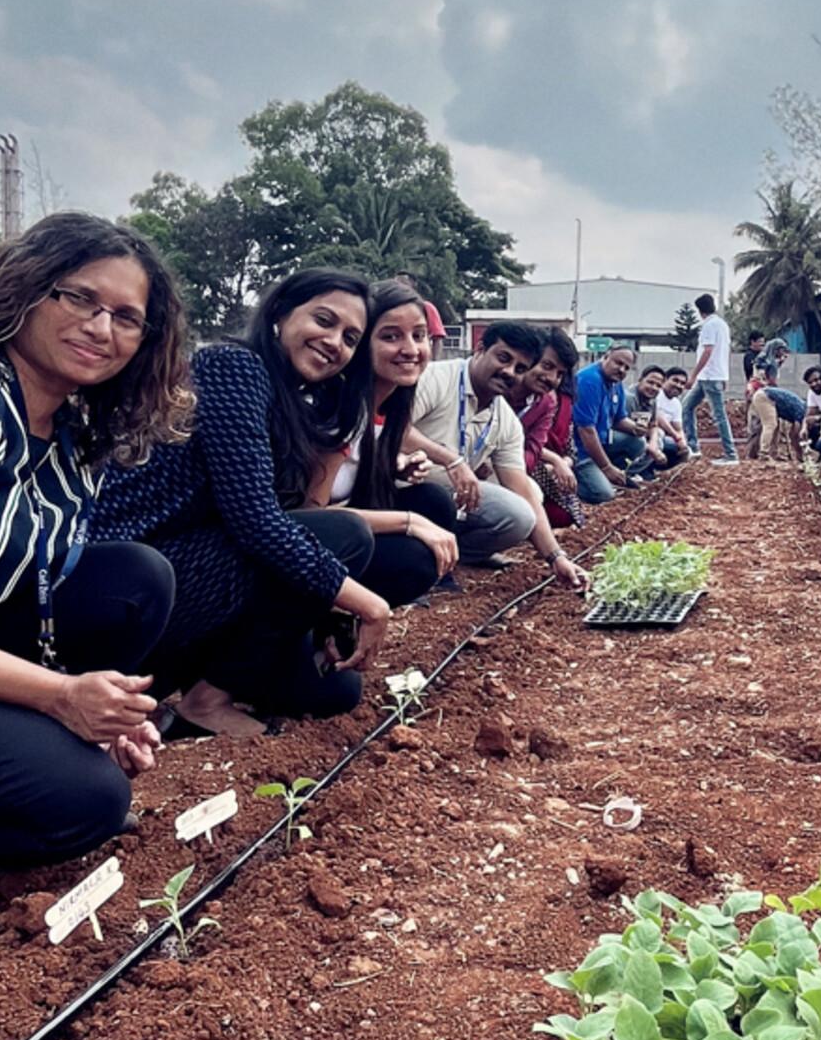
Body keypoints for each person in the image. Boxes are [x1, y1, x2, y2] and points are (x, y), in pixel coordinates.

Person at [96, 269, 390, 737]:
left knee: (337, 692)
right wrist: (368, 603)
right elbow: (256, 521)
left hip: (186, 568)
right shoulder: (233, 366)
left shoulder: (284, 397)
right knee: (343, 536)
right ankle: (204, 701)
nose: (335, 342)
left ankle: (192, 686)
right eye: (324, 320)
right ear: (279, 314)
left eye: (350, 338)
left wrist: (329, 608)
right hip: (127, 575)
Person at [0, 213, 192, 864]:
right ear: (28, 288)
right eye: (80, 298)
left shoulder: (71, 434)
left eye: (126, 317)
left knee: (134, 579)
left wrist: (97, 717)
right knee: (88, 800)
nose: (102, 329)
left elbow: (36, 596)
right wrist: (59, 698)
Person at [400, 321, 588, 587]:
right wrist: (451, 460)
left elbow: (519, 485)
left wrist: (556, 557)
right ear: (479, 349)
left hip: (451, 499)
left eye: (520, 368)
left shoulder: (505, 420)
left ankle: (453, 555)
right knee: (435, 498)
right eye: (503, 358)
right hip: (398, 487)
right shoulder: (436, 378)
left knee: (520, 514)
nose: (509, 371)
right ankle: (414, 556)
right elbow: (393, 428)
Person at [322, 281, 460, 607]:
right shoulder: (341, 411)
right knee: (414, 558)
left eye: (419, 335)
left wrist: (394, 464)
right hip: (305, 539)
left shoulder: (388, 408)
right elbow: (310, 516)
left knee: (433, 500)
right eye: (390, 336)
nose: (411, 349)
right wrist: (410, 522)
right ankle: (332, 614)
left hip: (342, 529)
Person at [518, 328, 585, 528]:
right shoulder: (508, 390)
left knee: (564, 516)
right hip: (524, 465)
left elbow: (569, 444)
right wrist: (552, 463)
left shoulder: (550, 400)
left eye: (560, 374)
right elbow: (520, 447)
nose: (552, 378)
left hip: (540, 464)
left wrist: (564, 462)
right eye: (547, 366)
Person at [573, 344, 638, 503]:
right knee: (602, 494)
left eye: (626, 367)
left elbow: (619, 419)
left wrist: (637, 428)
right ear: (605, 357)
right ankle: (569, 485)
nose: (622, 369)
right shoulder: (589, 380)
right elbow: (586, 430)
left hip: (601, 442)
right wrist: (606, 467)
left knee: (637, 442)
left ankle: (606, 473)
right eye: (618, 363)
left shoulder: (616, 383)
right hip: (578, 449)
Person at [682, 294, 738, 463]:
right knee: (687, 406)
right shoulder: (722, 325)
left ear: (700, 311)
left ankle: (730, 454)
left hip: (709, 376)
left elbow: (708, 351)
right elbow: (726, 351)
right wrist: (725, 376)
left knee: (719, 415)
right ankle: (693, 447)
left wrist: (693, 375)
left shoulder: (709, 326)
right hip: (711, 376)